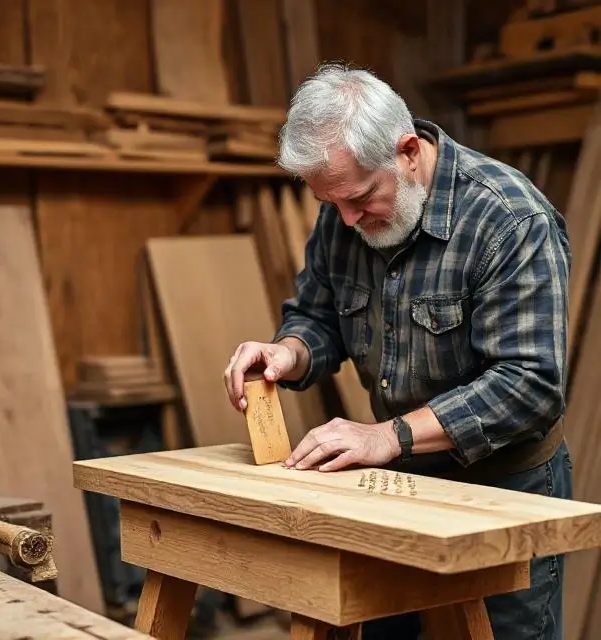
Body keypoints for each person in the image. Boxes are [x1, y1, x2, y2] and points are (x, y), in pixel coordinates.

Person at [223, 63, 573, 639]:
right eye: (331, 203)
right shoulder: (346, 212)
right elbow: (318, 316)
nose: (348, 220)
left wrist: (386, 436)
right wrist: (288, 352)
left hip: (502, 489)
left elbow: (529, 384)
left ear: (409, 151)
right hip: (395, 481)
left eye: (360, 198)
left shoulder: (508, 220)